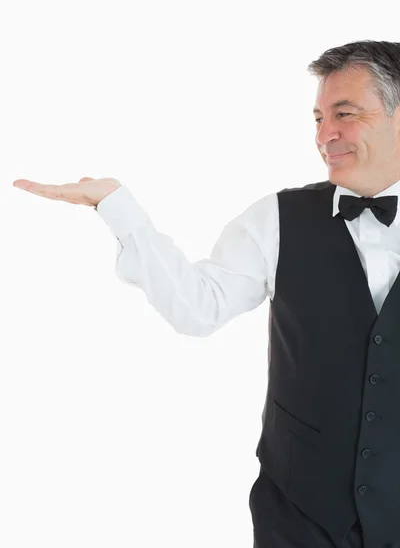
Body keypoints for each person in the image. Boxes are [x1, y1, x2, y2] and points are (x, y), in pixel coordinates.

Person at [13, 39, 400, 548]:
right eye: (317, 118)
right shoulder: (278, 218)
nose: (325, 134)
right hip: (300, 513)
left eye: (344, 114)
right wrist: (118, 207)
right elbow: (199, 307)